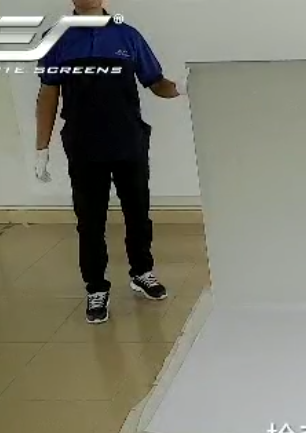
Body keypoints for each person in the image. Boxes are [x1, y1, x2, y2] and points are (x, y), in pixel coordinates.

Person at [34, 0, 186, 324]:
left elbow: (156, 82)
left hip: (128, 139)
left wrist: (185, 87)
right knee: (90, 220)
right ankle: (96, 287)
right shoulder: (56, 39)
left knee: (138, 211)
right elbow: (48, 93)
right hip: (83, 144)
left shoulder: (127, 36)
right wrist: (41, 148)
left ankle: (142, 272)